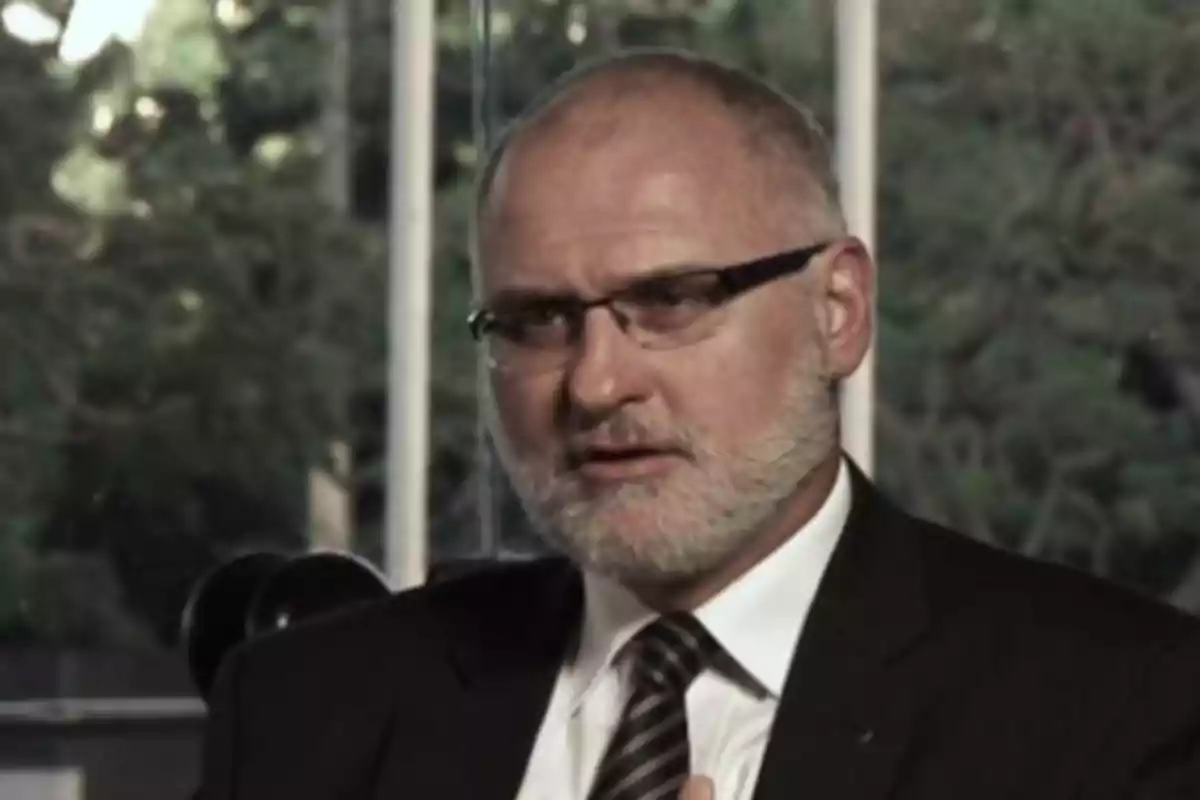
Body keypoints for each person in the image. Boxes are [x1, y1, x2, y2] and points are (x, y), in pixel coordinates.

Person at [197, 49, 1200, 800]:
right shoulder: (302, 711)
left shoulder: (1120, 711)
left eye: (673, 298)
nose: (595, 383)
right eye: (536, 319)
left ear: (837, 309)